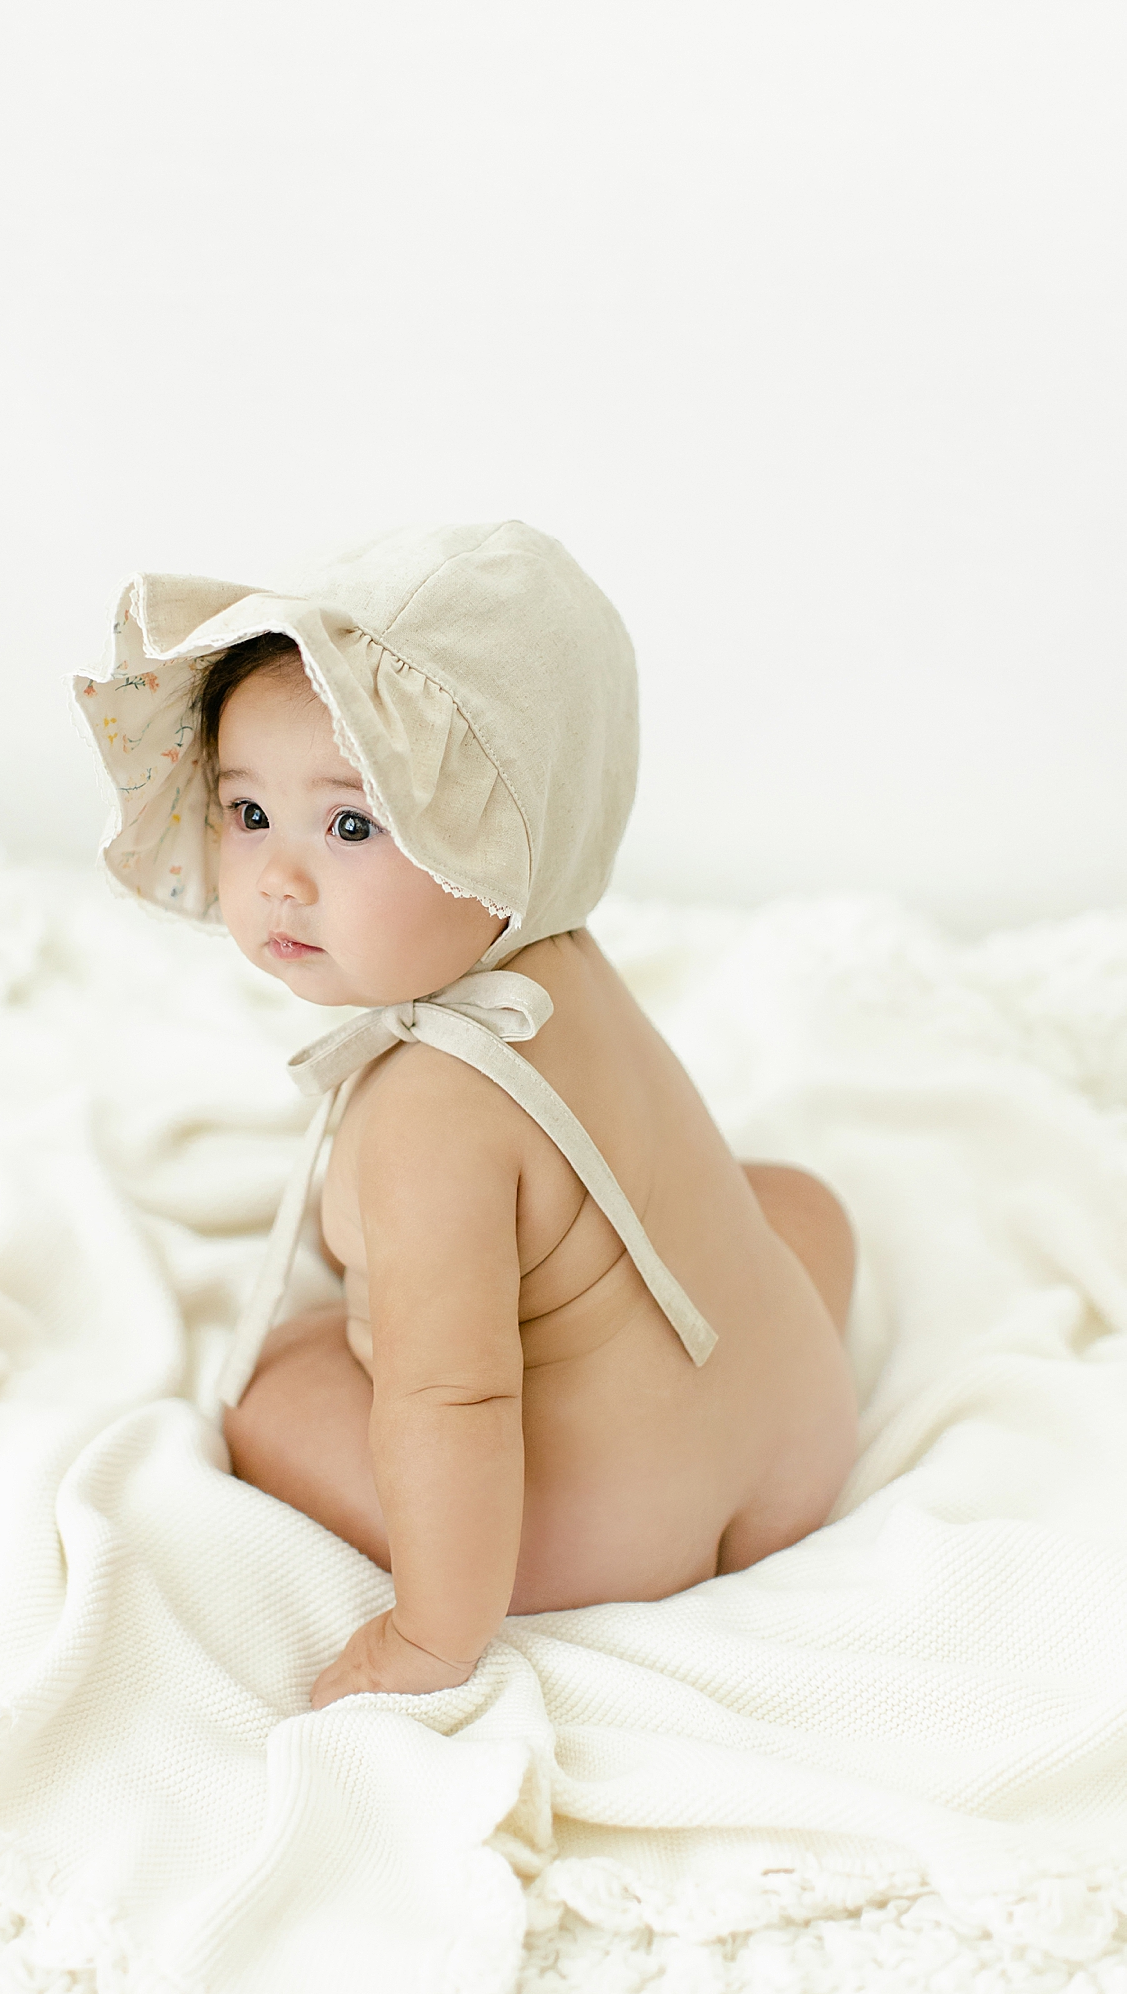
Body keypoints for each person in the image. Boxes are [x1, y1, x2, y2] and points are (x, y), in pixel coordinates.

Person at [77, 522, 858, 1711]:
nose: (280, 878)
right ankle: (752, 1427)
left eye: (349, 825)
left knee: (279, 1380)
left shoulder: (426, 1113)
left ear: (493, 836)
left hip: (612, 1535)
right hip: (800, 1439)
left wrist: (431, 1638)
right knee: (789, 1206)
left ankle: (491, 1579)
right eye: (246, 815)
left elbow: (455, 1401)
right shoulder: (560, 964)